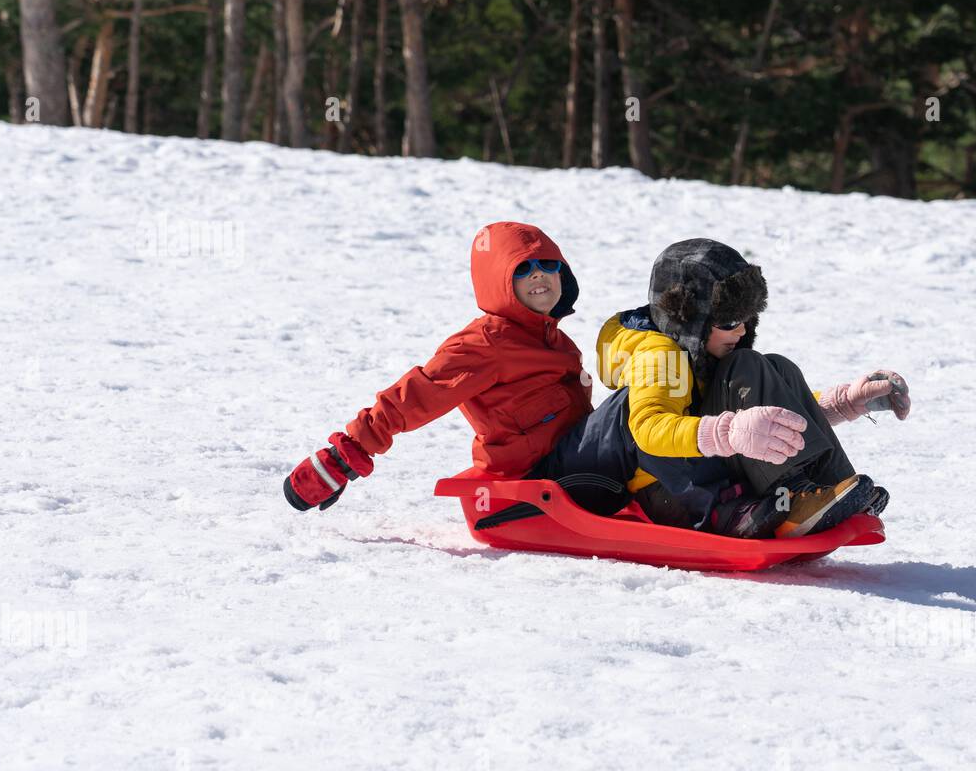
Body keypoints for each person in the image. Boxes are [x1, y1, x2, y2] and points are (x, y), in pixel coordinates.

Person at [532, 238, 911, 539]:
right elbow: (647, 429)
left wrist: (843, 403)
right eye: (730, 321)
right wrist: (730, 432)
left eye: (748, 318)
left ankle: (831, 487)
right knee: (748, 364)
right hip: (669, 489)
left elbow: (761, 406)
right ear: (689, 317)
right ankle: (794, 497)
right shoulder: (659, 355)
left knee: (776, 365)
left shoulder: (701, 349)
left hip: (703, 467)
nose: (742, 330)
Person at [282, 221, 594, 511]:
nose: (538, 274)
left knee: (634, 403)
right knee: (624, 413)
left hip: (576, 463)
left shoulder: (556, 342)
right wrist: (342, 459)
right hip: (535, 478)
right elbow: (418, 394)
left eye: (548, 265)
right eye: (523, 269)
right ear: (497, 282)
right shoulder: (486, 343)